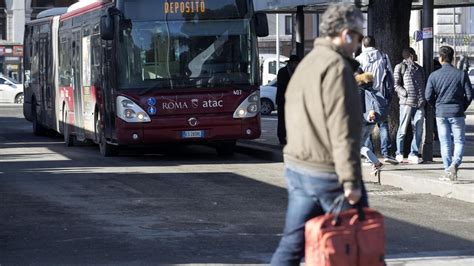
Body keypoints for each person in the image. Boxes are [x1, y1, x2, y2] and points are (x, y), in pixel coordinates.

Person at [271, 4, 368, 265]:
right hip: (329, 174)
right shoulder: (337, 68)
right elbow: (343, 131)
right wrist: (350, 182)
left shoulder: (307, 64)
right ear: (346, 34)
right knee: (359, 246)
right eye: (359, 37)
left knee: (291, 245)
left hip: (299, 168)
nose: (358, 45)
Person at [426, 46, 473, 181]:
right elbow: (469, 95)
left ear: (440, 58)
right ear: (452, 58)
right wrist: (461, 107)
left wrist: (437, 106)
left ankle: (448, 171)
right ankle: (455, 164)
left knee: (445, 142)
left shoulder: (434, 75)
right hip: (457, 112)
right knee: (459, 141)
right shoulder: (461, 74)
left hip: (441, 113)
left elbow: (428, 96)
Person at [356, 36, 398, 164]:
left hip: (365, 96)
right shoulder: (383, 56)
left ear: (364, 45)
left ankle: (370, 154)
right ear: (375, 44)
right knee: (383, 124)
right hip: (381, 95)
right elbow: (390, 74)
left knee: (366, 124)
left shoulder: (359, 59)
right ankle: (386, 153)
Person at [394, 47, 426, 164]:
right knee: (402, 129)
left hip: (419, 103)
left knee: (418, 129)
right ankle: (399, 152)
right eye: (414, 54)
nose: (416, 55)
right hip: (406, 103)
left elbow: (424, 83)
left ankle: (414, 153)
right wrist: (405, 94)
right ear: (411, 55)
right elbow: (396, 84)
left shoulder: (420, 69)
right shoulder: (400, 67)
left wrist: (423, 98)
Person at [356, 72, 384, 172]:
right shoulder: (372, 90)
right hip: (371, 121)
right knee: (361, 144)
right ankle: (375, 163)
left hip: (361, 121)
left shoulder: (359, 91)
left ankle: (376, 162)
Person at [276, 55, 299, 145]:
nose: (296, 65)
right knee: (282, 120)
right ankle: (282, 137)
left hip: (293, 101)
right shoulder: (283, 72)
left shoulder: (297, 72)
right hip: (283, 100)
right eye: (295, 63)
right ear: (291, 63)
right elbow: (282, 85)